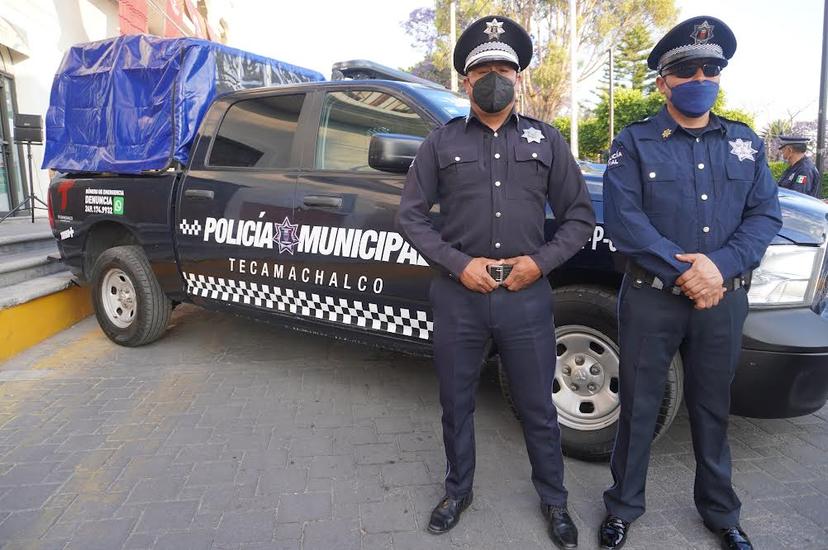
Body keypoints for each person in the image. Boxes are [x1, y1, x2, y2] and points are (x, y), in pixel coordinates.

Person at [397, 14, 595, 549]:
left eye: (504, 67)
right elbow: (411, 216)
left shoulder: (546, 140)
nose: (494, 76)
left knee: (536, 404)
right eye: (483, 67)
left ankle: (554, 500)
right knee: (455, 402)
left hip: (525, 296)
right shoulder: (440, 143)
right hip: (459, 295)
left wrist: (540, 263)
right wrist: (459, 264)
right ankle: (457, 490)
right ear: (465, 80)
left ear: (519, 78)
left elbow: (578, 217)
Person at [599, 16, 782, 550]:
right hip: (652, 300)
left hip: (721, 300)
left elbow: (765, 215)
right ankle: (622, 508)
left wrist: (719, 267)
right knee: (638, 406)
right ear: (663, 81)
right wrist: (690, 273)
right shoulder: (634, 143)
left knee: (711, 407)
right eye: (686, 70)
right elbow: (624, 222)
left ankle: (722, 514)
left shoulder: (745, 144)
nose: (699, 77)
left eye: (710, 69)